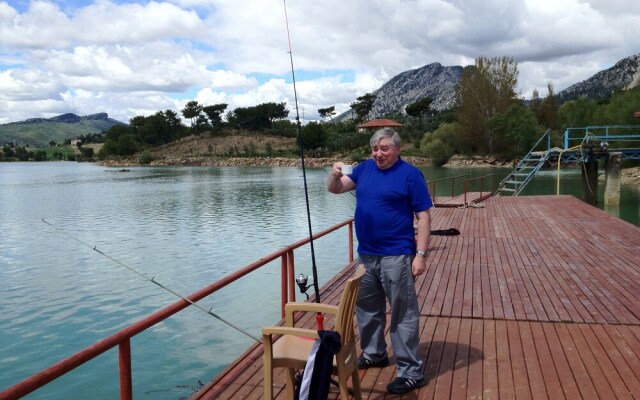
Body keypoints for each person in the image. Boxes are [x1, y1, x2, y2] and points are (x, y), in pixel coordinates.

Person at [326, 127, 432, 395]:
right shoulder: (364, 169)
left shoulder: (410, 175)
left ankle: (411, 372)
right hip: (366, 254)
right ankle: (374, 353)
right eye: (375, 149)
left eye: (384, 148)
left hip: (397, 254)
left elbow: (424, 216)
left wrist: (420, 255)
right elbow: (336, 189)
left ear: (397, 149)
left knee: (402, 313)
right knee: (367, 308)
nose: (379, 153)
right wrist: (334, 174)